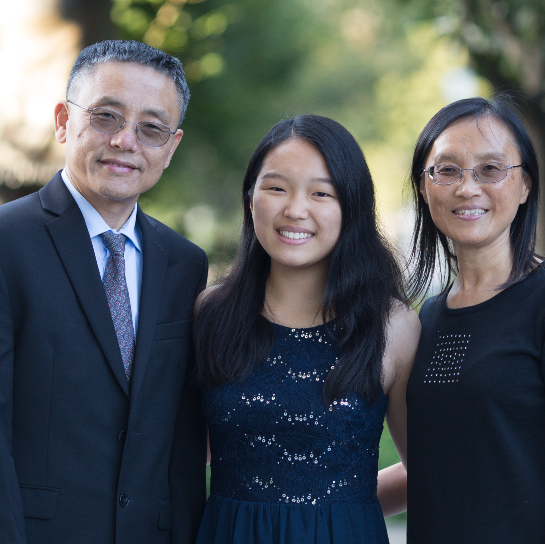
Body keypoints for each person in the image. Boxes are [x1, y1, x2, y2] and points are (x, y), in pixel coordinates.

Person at [0, 40, 208, 544]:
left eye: (150, 128)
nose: (125, 141)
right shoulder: (7, 243)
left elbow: (179, 440)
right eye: (106, 117)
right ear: (63, 120)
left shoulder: (184, 263)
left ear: (171, 146)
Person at [193, 115, 420, 543]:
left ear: (351, 207)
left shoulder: (392, 326)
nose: (295, 210)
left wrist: (342, 511)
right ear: (249, 198)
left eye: (321, 193)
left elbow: (423, 474)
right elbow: (182, 458)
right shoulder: (211, 314)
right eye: (276, 188)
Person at [406, 96, 545, 543]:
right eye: (447, 170)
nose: (467, 188)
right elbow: (443, 458)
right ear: (424, 188)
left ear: (524, 186)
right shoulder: (427, 316)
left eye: (491, 169)